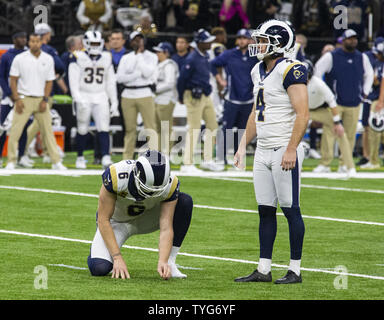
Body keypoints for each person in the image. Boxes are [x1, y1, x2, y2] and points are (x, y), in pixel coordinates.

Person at [234, 20, 309, 284]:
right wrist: (243, 145)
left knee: (291, 209)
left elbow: (303, 113)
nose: (258, 45)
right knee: (265, 210)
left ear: (279, 43)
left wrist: (291, 149)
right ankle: (263, 269)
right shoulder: (258, 70)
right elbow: (257, 111)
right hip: (263, 150)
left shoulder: (292, 69)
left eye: (264, 40)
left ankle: (295, 270)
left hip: (282, 149)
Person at [87, 149, 193, 279]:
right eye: (148, 189)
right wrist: (117, 257)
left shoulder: (171, 183)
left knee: (184, 201)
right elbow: (103, 220)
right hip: (117, 222)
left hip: (147, 218)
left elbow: (166, 226)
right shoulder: (116, 175)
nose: (152, 194)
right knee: (99, 268)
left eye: (157, 190)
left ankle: (171, 262)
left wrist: (163, 260)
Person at [314, 29, 374, 175]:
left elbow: (370, 74)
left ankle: (344, 163)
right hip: (335, 102)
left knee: (350, 135)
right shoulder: (331, 56)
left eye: (354, 38)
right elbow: (317, 72)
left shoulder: (362, 57)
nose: (352, 41)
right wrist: (321, 95)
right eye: (349, 39)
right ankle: (325, 163)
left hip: (354, 102)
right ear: (343, 40)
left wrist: (365, 93)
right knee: (329, 132)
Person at [5, 33, 66, 170]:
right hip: (24, 97)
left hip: (40, 99)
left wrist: (45, 99)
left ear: (41, 43)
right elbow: (13, 79)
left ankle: (56, 161)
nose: (35, 44)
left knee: (48, 131)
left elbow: (49, 81)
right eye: (32, 41)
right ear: (28, 43)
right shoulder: (20, 58)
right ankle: (11, 160)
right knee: (16, 131)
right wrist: (17, 99)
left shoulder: (48, 59)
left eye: (37, 41)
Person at [68, 30, 119, 170]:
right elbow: (73, 80)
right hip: (84, 95)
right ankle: (80, 157)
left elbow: (110, 82)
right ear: (86, 43)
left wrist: (114, 100)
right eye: (93, 43)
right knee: (82, 127)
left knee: (103, 127)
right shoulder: (77, 56)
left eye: (97, 43)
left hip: (101, 95)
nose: (95, 46)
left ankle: (105, 157)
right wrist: (77, 98)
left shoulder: (107, 57)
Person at [210, 28, 257, 166]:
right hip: (232, 98)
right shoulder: (229, 54)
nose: (242, 40)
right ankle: (220, 158)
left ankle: (238, 159)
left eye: (245, 38)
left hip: (248, 99)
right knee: (226, 130)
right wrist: (220, 79)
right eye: (240, 38)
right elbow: (213, 64)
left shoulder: (255, 56)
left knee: (243, 132)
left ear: (249, 40)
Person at [177, 29, 220, 172]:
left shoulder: (205, 55)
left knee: (212, 125)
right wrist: (181, 96)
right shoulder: (192, 58)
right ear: (200, 43)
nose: (210, 43)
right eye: (207, 41)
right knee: (194, 128)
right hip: (193, 95)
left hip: (205, 95)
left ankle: (207, 159)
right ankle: (187, 163)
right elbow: (182, 79)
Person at [302, 59, 354, 175]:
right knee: (286, 129)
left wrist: (337, 122)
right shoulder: (294, 83)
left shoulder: (318, 83)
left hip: (321, 110)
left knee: (340, 132)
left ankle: (348, 165)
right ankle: (290, 163)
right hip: (301, 110)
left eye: (307, 75)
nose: (305, 79)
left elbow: (331, 100)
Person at [116, 31, 158, 160]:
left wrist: (139, 56)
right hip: (128, 94)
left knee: (150, 127)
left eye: (140, 39)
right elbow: (119, 78)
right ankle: (127, 158)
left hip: (144, 93)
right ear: (131, 42)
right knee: (130, 129)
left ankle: (154, 158)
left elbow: (147, 73)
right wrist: (135, 75)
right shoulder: (126, 57)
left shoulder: (151, 56)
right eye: (135, 40)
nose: (138, 42)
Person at [0, 31, 31, 168]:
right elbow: (1, 77)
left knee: (24, 126)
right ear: (14, 39)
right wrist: (9, 93)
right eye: (21, 38)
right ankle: (0, 156)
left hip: (24, 95)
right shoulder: (7, 56)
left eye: (25, 38)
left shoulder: (29, 55)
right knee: (2, 127)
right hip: (9, 98)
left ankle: (22, 156)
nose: (24, 40)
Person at [357, 37, 384, 167]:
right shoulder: (377, 62)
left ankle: (374, 160)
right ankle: (370, 158)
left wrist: (381, 100)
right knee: (371, 129)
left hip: (378, 100)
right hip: (373, 98)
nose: (377, 56)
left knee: (375, 130)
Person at [153, 42, 179, 156]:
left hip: (166, 100)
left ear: (166, 53)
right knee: (157, 128)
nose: (157, 54)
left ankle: (167, 154)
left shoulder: (169, 65)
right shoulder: (159, 64)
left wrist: (154, 89)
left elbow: (170, 83)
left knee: (166, 128)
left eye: (159, 51)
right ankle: (158, 153)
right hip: (158, 100)